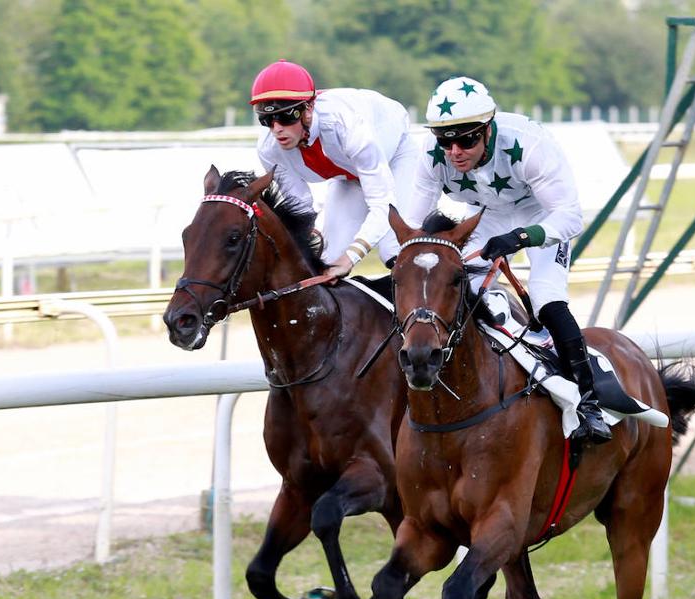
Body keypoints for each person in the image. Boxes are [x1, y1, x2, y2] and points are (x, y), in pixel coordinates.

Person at [405, 76, 611, 444]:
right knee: (451, 291)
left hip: (542, 216)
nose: (454, 152)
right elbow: (413, 227)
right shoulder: (432, 156)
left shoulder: (528, 145)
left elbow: (570, 217)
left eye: (466, 140)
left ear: (488, 129)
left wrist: (520, 238)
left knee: (546, 298)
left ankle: (589, 404)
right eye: (445, 142)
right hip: (486, 218)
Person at [249, 60, 420, 279]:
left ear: (308, 109)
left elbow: (381, 204)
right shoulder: (269, 148)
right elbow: (300, 207)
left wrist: (351, 257)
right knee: (328, 261)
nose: (277, 129)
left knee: (393, 250)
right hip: (349, 176)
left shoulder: (346, 127)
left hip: (395, 156)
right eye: (266, 120)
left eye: (285, 116)